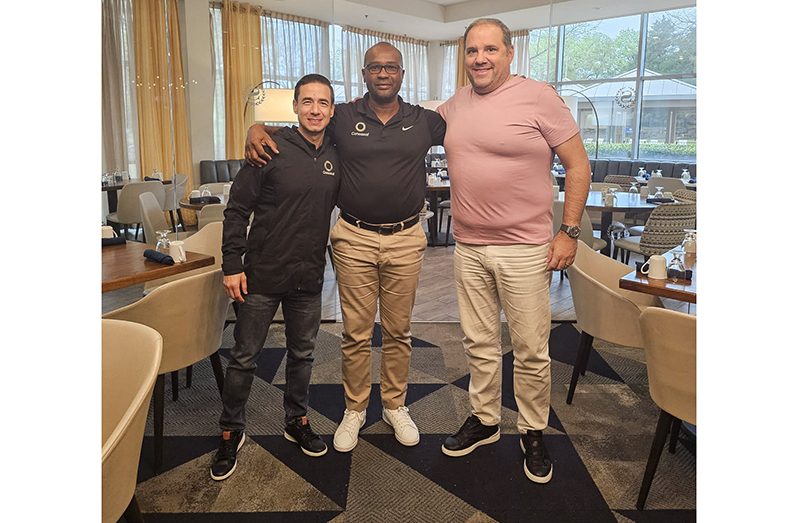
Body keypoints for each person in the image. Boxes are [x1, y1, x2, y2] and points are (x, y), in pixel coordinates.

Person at [245, 43, 446, 453]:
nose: (384, 73)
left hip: (407, 237)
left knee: (398, 330)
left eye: (391, 67)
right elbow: (304, 129)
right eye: (376, 67)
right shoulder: (344, 116)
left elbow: (475, 130)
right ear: (365, 73)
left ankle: (394, 404)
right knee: (355, 333)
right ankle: (354, 409)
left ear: (402, 73)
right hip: (353, 236)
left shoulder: (426, 121)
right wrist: (257, 129)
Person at [436, 19, 591, 485]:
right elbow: (395, 121)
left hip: (525, 249)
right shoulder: (455, 103)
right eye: (471, 51)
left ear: (509, 54)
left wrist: (568, 232)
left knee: (529, 349)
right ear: (463, 57)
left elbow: (579, 165)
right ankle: (485, 420)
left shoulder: (539, 96)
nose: (479, 58)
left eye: (489, 50)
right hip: (468, 246)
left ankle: (533, 430)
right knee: (479, 343)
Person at [210, 74, 339, 481]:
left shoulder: (338, 153)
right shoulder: (268, 148)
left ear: (332, 110)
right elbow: (236, 210)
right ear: (296, 107)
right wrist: (232, 264)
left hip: (308, 277)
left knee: (303, 355)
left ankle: (295, 420)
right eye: (307, 102)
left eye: (323, 103)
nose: (315, 109)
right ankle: (231, 430)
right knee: (245, 358)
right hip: (260, 275)